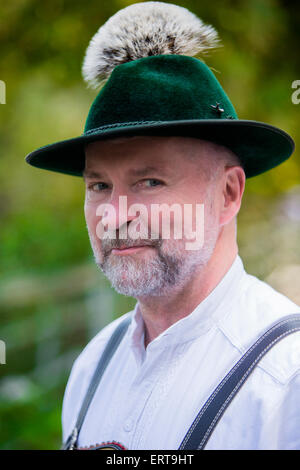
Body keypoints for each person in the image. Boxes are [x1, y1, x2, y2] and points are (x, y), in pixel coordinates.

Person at [25, 2, 300, 450]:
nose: (116, 214)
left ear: (228, 193)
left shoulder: (287, 380)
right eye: (98, 185)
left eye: (150, 181)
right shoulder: (93, 367)